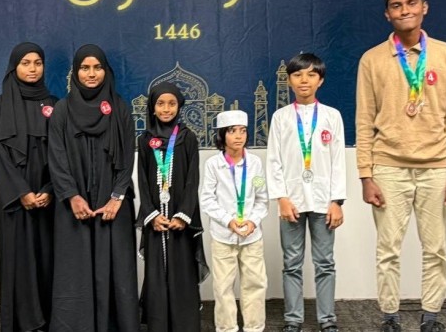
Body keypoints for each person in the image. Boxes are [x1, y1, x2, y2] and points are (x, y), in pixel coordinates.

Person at [356, 0, 446, 332]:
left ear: (424, 7)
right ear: (387, 14)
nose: (405, 10)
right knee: (388, 249)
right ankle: (390, 316)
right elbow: (363, 121)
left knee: (435, 248)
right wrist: (366, 175)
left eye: (411, 3)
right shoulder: (372, 59)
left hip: (437, 168)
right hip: (388, 167)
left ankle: (430, 316)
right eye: (397, 5)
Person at [47, 44, 138, 332]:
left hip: (113, 205)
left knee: (116, 270)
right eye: (85, 68)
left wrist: (116, 197)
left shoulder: (119, 108)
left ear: (106, 71)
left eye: (97, 67)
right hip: (73, 206)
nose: (91, 73)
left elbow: (128, 156)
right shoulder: (62, 110)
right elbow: (56, 157)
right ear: (75, 72)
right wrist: (72, 196)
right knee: (75, 270)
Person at [266, 53, 346, 332]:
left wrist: (337, 201)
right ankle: (293, 319)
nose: (304, 80)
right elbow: (274, 160)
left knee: (325, 263)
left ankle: (327, 320)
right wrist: (281, 198)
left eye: (311, 74)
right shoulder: (280, 117)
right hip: (292, 202)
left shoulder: (332, 116)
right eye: (298, 75)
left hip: (324, 202)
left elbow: (338, 161)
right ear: (289, 80)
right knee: (291, 263)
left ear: (320, 80)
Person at [0, 42, 56, 332]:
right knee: (18, 260)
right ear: (14, 67)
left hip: (48, 197)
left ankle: (48, 320)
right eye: (25, 63)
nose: (32, 68)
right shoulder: (0, 106)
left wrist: (50, 189)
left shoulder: (54, 104)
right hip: (15, 198)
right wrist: (21, 192)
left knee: (47, 259)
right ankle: (20, 323)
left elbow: (62, 154)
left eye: (37, 63)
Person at [136, 82, 209, 332]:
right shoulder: (145, 139)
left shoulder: (187, 138)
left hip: (180, 220)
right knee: (156, 271)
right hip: (156, 220)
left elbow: (192, 180)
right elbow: (142, 180)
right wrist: (151, 214)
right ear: (152, 107)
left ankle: (184, 324)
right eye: (160, 104)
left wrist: (183, 214)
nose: (166, 109)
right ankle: (159, 324)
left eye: (171, 104)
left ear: (179, 106)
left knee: (182, 270)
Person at [200, 110, 269, 332]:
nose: (239, 136)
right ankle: (226, 328)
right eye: (232, 131)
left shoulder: (255, 164)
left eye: (243, 131)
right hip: (223, 236)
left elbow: (262, 198)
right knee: (223, 287)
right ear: (222, 135)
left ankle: (254, 327)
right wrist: (228, 221)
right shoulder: (213, 165)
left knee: (255, 284)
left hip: (251, 236)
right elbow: (207, 200)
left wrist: (253, 221)